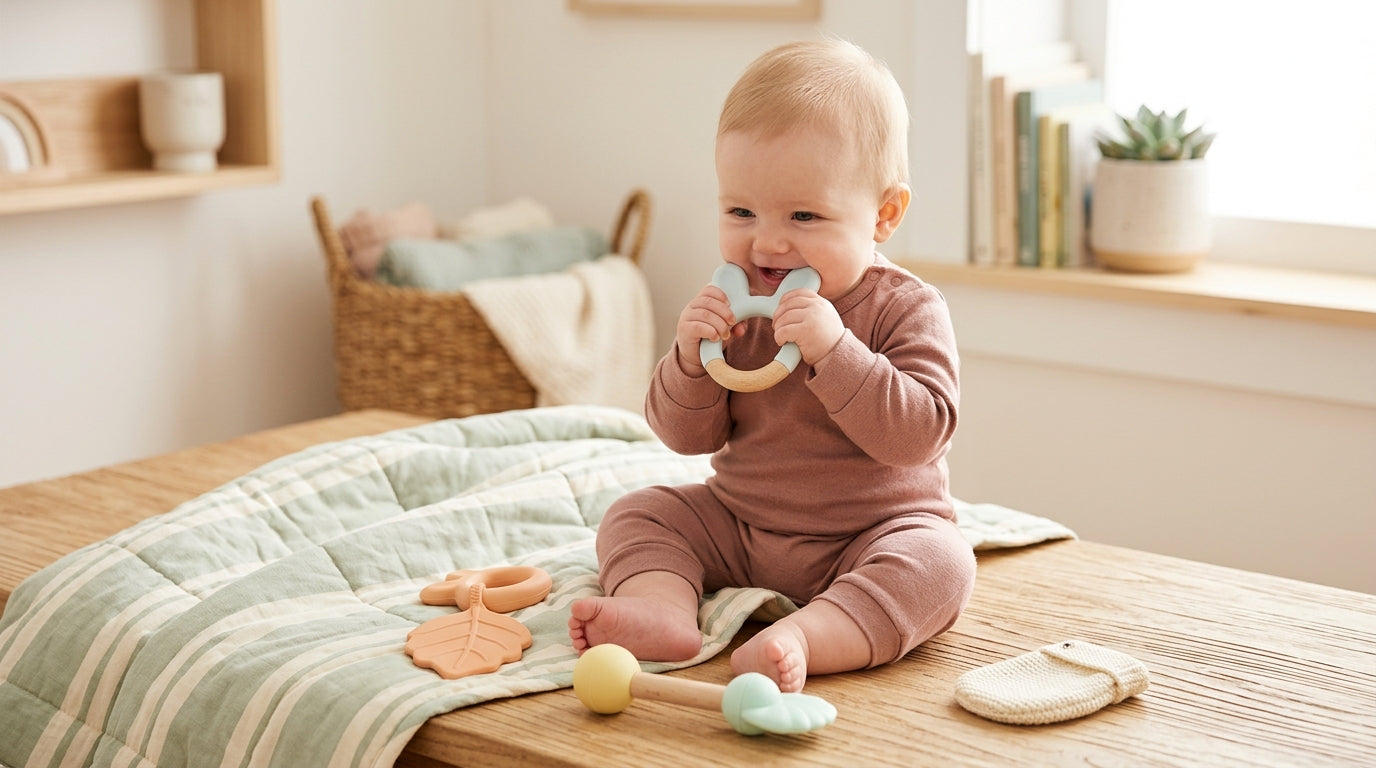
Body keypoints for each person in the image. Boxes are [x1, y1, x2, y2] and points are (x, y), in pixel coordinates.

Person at [568, 38, 976, 693]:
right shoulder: (739, 302)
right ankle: (663, 612)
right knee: (640, 513)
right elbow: (684, 438)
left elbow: (921, 433)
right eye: (741, 211)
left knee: (942, 564)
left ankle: (807, 636)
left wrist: (835, 351)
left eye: (804, 215)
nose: (768, 240)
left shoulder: (906, 308)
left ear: (884, 215)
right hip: (741, 524)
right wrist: (690, 361)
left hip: (869, 534)